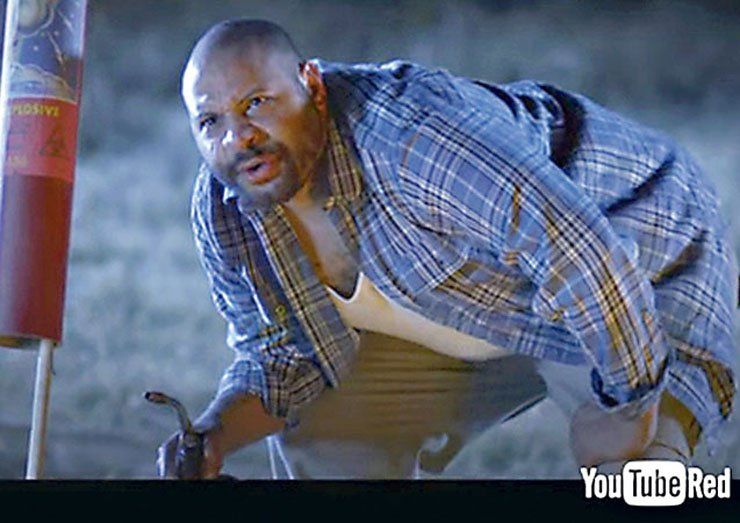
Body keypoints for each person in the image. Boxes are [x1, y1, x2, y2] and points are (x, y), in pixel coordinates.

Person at [157, 19, 737, 479]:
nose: (238, 138)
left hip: (634, 249)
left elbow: (583, 255)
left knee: (637, 476)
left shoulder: (410, 140)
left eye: (257, 103)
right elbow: (283, 355)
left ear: (311, 83)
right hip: (472, 309)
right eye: (210, 121)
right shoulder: (227, 209)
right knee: (323, 429)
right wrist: (213, 435)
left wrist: (630, 409)